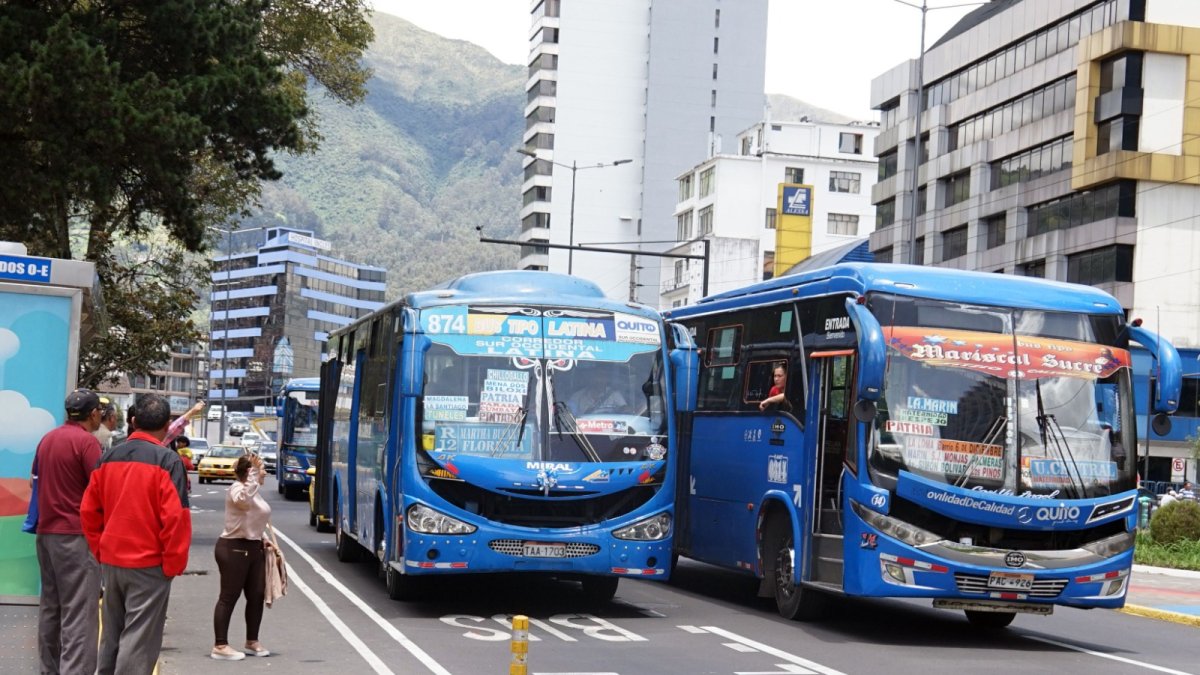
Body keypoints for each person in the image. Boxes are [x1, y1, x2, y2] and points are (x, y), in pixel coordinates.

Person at [81, 393, 191, 675]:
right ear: (167, 425)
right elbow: (176, 519)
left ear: (132, 421)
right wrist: (173, 564)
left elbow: (89, 511)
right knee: (139, 640)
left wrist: (100, 549)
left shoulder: (108, 457)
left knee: (112, 636)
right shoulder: (168, 461)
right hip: (149, 564)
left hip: (113, 561)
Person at [31, 388, 104, 675]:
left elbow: (32, 481)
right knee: (80, 612)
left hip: (46, 533)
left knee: (51, 606)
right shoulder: (87, 444)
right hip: (76, 535)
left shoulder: (48, 439)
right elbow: (100, 490)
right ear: (94, 413)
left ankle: (48, 670)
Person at [212, 453, 272, 661]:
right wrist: (253, 475)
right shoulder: (238, 489)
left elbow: (251, 518)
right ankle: (220, 645)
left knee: (256, 595)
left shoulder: (255, 492)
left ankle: (252, 640)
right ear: (250, 472)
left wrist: (262, 537)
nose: (265, 472)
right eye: (261, 469)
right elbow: (243, 503)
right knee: (229, 596)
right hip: (234, 548)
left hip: (254, 548)